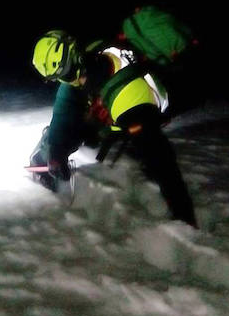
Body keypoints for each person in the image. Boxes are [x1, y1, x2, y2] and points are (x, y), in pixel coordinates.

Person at [30, 29, 198, 227]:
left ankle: (181, 212)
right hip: (116, 111)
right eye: (58, 77)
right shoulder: (84, 65)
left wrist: (182, 212)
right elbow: (64, 110)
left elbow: (161, 159)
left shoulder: (125, 95)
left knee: (149, 150)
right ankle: (44, 158)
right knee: (72, 128)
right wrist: (57, 152)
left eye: (64, 75)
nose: (64, 81)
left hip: (137, 110)